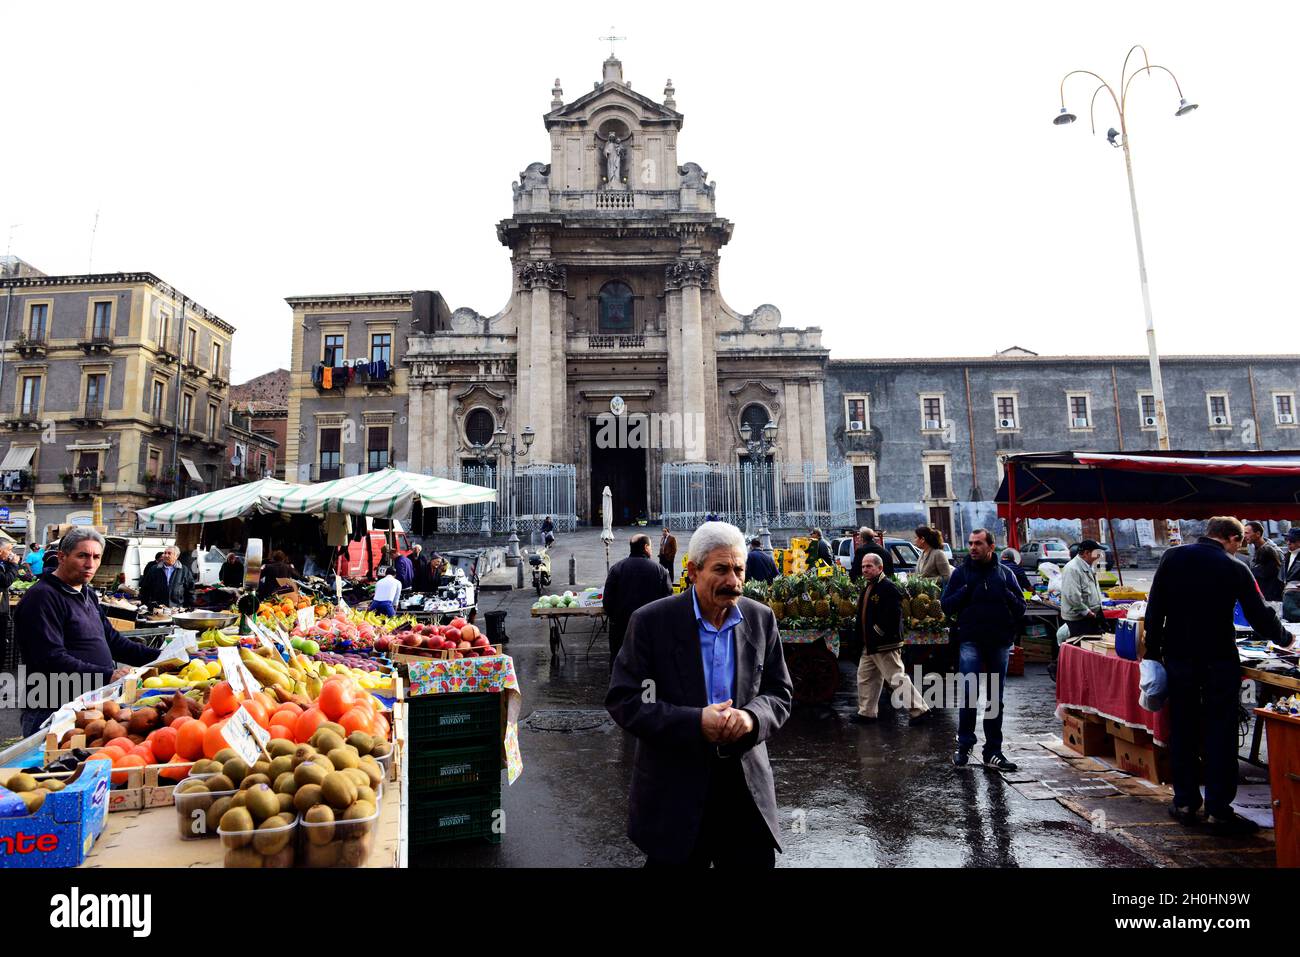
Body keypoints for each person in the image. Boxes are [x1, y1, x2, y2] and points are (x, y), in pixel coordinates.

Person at [606, 521, 793, 867]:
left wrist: (751, 718)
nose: (733, 581)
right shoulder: (650, 622)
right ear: (692, 571)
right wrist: (695, 723)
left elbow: (780, 693)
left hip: (745, 791)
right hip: (674, 789)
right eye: (721, 569)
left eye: (739, 569)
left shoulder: (761, 618)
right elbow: (625, 698)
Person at [1145, 516, 1289, 835]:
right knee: (1220, 731)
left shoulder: (1173, 556)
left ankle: (1184, 802)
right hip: (1218, 659)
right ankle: (1218, 810)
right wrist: (1285, 639)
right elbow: (1258, 613)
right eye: (1239, 542)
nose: (1239, 547)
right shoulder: (1233, 565)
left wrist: (1153, 654)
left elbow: (1155, 608)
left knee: (1183, 727)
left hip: (1179, 656)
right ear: (1231, 538)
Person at [14, 528, 158, 736]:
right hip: (52, 708)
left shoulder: (87, 594)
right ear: (62, 557)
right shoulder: (41, 598)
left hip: (88, 703)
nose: (90, 564)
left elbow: (114, 642)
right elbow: (50, 658)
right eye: (82, 555)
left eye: (96, 557)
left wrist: (165, 657)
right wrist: (108, 674)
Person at [941, 528, 1026, 771]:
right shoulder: (960, 574)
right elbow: (945, 606)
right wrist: (966, 591)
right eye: (970, 543)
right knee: (968, 695)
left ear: (991, 546)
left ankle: (993, 751)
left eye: (978, 543)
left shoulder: (1006, 573)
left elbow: (1021, 607)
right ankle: (964, 744)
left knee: (994, 699)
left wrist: (1006, 593)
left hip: (999, 641)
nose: (972, 548)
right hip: (970, 640)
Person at [851, 553, 930, 725]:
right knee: (865, 677)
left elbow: (893, 616)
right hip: (870, 644)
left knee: (896, 678)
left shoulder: (887, 587)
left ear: (880, 568)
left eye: (869, 566)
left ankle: (920, 711)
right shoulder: (870, 586)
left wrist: (876, 633)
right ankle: (867, 712)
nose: (865, 569)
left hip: (884, 644)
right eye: (863, 566)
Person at [602, 533, 672, 672]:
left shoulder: (616, 569)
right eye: (650, 547)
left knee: (620, 667)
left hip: (621, 630)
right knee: (650, 668)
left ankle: (621, 692)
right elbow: (668, 602)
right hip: (651, 630)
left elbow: (607, 602)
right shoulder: (660, 571)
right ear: (646, 547)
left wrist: (617, 618)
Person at [1060, 539, 1105, 639]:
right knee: (1081, 646)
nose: (1099, 556)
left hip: (1090, 616)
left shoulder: (1088, 566)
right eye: (1097, 553)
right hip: (1079, 619)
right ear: (1086, 553)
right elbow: (1072, 596)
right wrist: (1086, 611)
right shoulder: (1072, 568)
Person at [1244, 521, 1284, 603]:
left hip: (1272, 595)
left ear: (1258, 534)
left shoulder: (1275, 551)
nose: (1245, 536)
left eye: (1247, 533)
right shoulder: (1250, 546)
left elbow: (1282, 575)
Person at [1283, 528, 1300, 622]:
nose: (1289, 542)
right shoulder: (1287, 555)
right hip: (1288, 598)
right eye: (1287, 539)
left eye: (1292, 540)